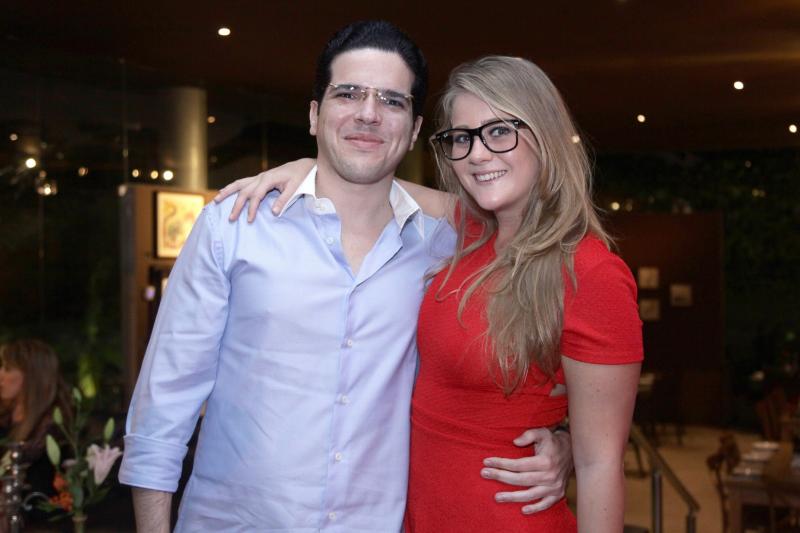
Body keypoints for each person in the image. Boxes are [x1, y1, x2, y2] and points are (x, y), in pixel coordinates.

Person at [119, 21, 571, 532]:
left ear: (414, 130)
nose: (368, 113)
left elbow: (538, 364)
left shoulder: (448, 250)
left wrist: (566, 442)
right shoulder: (234, 227)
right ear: (315, 115)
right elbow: (163, 406)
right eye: (349, 94)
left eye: (392, 101)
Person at [222, 55, 643, 531]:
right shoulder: (472, 234)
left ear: (544, 135)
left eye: (499, 131)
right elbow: (382, 188)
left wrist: (566, 446)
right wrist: (313, 167)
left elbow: (600, 464)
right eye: (461, 138)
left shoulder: (591, 273)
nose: (477, 154)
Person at [0, 339, 70, 529]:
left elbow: (43, 499)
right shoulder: (5, 419)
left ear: (31, 376)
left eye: (7, 368)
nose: (1, 375)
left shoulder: (52, 429)